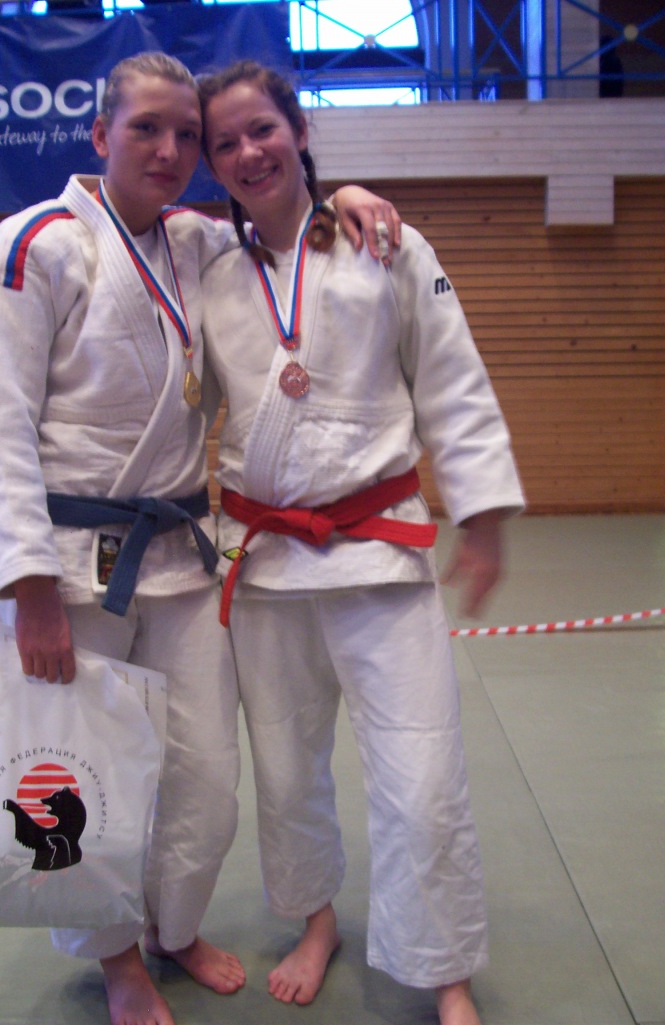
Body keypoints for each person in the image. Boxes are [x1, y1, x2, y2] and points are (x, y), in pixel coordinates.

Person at [0, 51, 401, 1025]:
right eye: (146, 128)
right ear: (99, 135)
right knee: (81, 773)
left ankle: (171, 923)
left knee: (205, 771)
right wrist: (28, 586)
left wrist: (344, 195)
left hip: (180, 552)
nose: (169, 149)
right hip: (68, 567)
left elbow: (284, 220)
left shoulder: (195, 241)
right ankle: (116, 956)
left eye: (185, 135)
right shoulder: (29, 248)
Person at [197, 60, 526, 1025]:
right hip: (266, 563)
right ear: (212, 162)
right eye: (226, 142)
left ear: (299, 131)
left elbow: (452, 380)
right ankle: (316, 921)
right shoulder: (207, 266)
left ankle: (444, 968)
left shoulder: (387, 241)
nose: (248, 152)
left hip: (378, 551)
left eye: (264, 128)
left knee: (422, 776)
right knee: (286, 771)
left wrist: (483, 518)